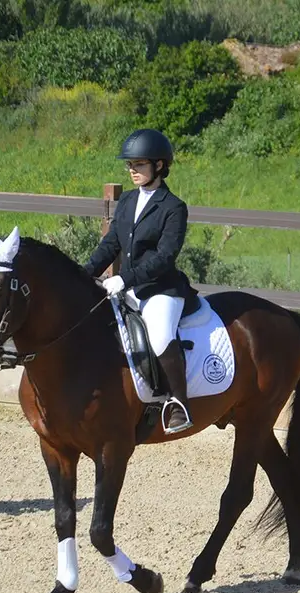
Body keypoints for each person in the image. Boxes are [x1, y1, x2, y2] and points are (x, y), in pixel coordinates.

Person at [83, 128, 198, 435]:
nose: (132, 170)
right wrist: (83, 274)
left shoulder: (173, 207)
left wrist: (125, 278)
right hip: (128, 287)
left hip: (162, 290)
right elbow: (111, 245)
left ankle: (178, 402)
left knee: (160, 336)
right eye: (129, 165)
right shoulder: (127, 201)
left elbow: (164, 257)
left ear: (159, 166)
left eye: (139, 164)